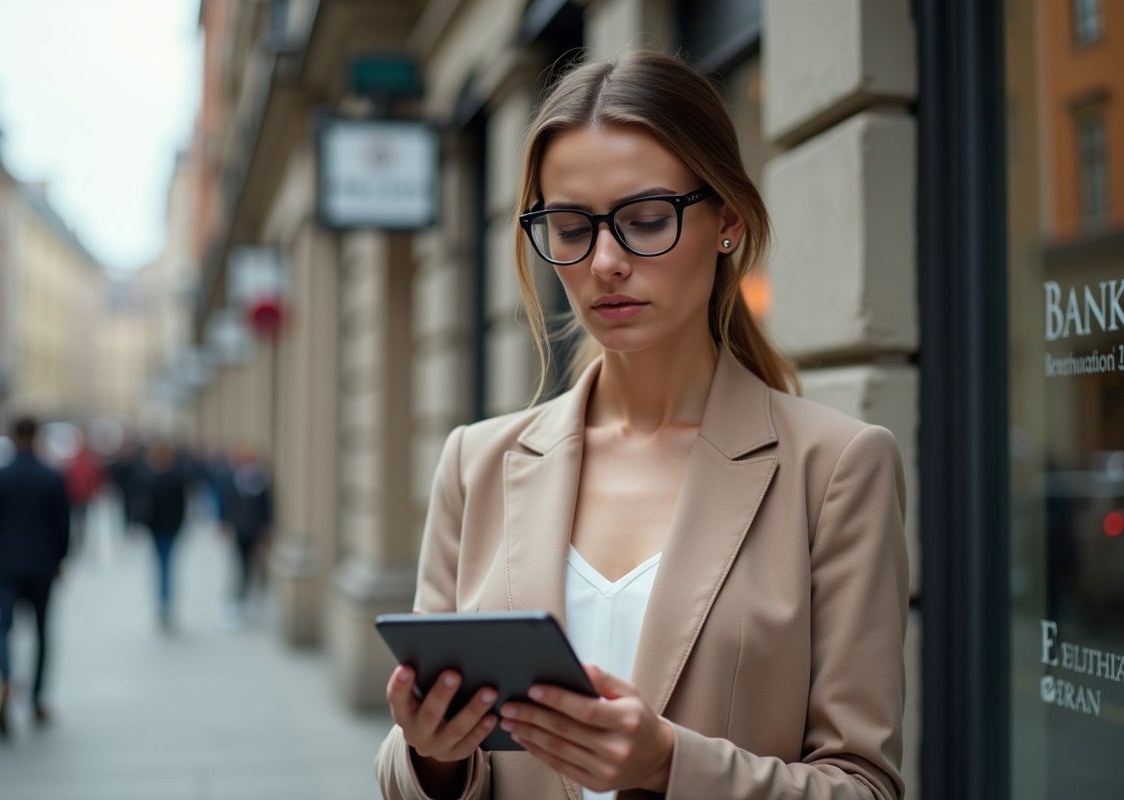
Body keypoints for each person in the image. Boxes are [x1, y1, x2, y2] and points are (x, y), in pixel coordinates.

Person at [377, 51, 908, 800]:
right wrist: (433, 757)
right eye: (569, 227)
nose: (605, 261)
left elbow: (864, 787)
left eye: (647, 220)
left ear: (728, 220)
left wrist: (669, 766)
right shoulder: (478, 462)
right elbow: (413, 766)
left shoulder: (837, 469)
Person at [0, 417, 71, 737]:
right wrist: (60, 560)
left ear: (13, 436)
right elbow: (63, 524)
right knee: (42, 632)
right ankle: (37, 699)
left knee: (2, 628)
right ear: (37, 436)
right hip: (42, 566)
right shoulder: (51, 476)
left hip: (6, 565)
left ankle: (4, 679)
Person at [130, 437, 190, 630]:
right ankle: (165, 603)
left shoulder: (149, 475)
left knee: (162, 565)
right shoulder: (173, 475)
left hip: (160, 527)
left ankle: (163, 603)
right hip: (164, 527)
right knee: (166, 565)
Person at [220, 446, 273, 624]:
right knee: (241, 564)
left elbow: (267, 507)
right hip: (239, 528)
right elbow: (228, 503)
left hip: (254, 529)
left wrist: (266, 528)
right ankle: (240, 601)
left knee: (252, 565)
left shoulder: (261, 480)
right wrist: (225, 522)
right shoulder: (234, 479)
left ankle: (253, 597)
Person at [63, 436, 104, 555]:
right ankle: (79, 536)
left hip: (81, 496)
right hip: (75, 496)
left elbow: (95, 479)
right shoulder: (75, 462)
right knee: (78, 518)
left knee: (79, 518)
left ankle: (79, 536)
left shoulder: (84, 463)